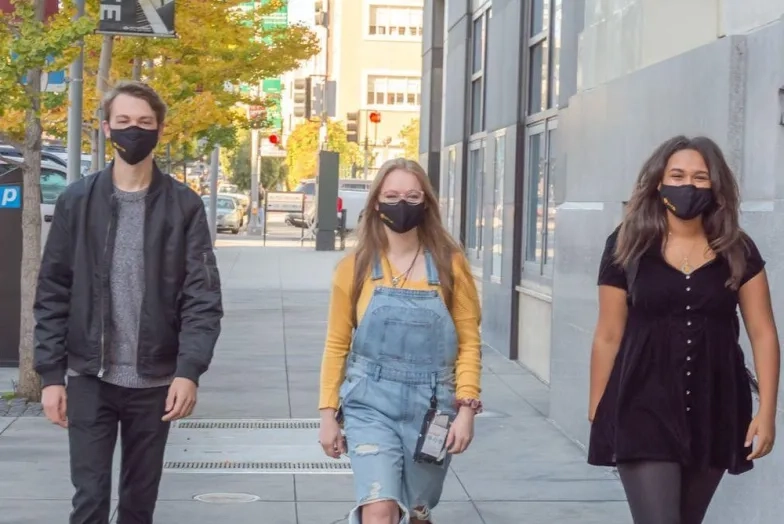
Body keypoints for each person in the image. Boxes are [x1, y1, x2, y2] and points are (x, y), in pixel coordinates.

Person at [34, 80, 223, 524]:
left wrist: (188, 371)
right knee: (90, 499)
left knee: (139, 504)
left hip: (154, 382)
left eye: (143, 122)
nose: (132, 131)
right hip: (88, 376)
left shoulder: (184, 206)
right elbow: (52, 290)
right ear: (106, 128)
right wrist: (49, 375)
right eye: (123, 122)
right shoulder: (76, 201)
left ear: (160, 130)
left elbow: (202, 298)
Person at [587, 136, 780, 524]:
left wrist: (767, 412)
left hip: (716, 404)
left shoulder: (737, 249)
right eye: (676, 175)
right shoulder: (627, 245)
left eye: (700, 177)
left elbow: (763, 332)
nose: (687, 185)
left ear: (715, 186)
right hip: (642, 402)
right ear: (659, 183)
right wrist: (599, 408)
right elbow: (608, 333)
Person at [318, 158, 482, 524]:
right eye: (391, 196)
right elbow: (336, 345)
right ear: (376, 202)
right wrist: (328, 415)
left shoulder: (451, 267)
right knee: (379, 509)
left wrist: (466, 410)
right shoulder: (354, 268)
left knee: (417, 511)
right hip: (369, 403)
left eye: (411, 196)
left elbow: (469, 343)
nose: (401, 204)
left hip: (434, 409)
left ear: (426, 202)